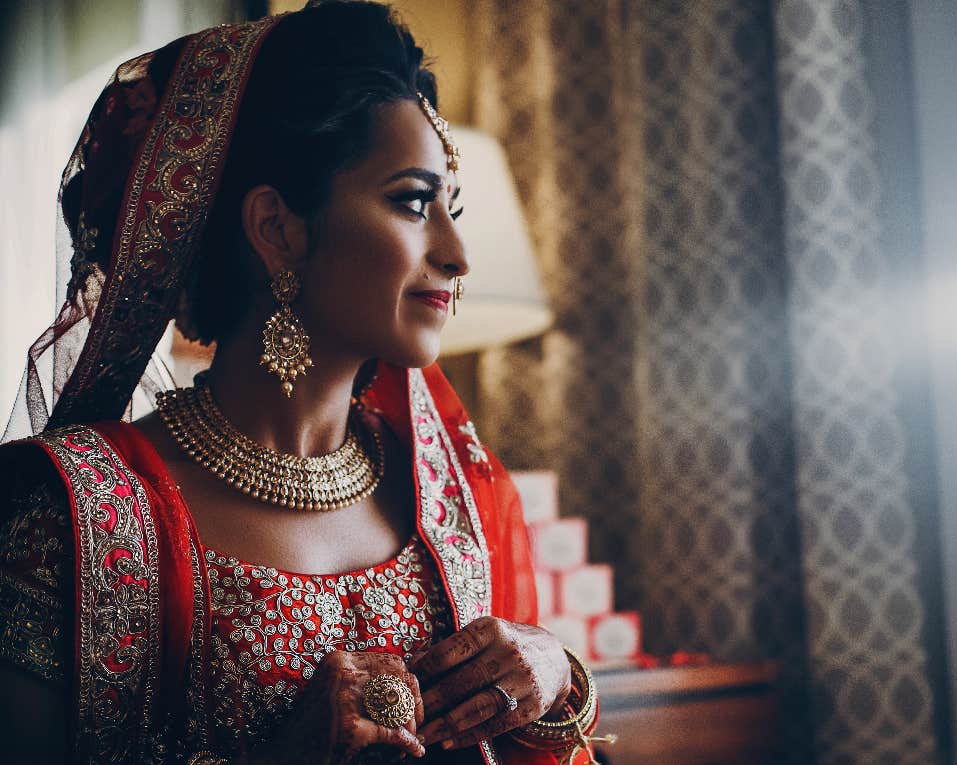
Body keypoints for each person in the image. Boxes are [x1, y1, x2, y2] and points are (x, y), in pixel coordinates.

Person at [0, 3, 603, 763]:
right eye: (413, 203)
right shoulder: (72, 519)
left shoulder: (457, 497)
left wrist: (557, 677)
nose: (456, 254)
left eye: (451, 210)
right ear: (276, 227)